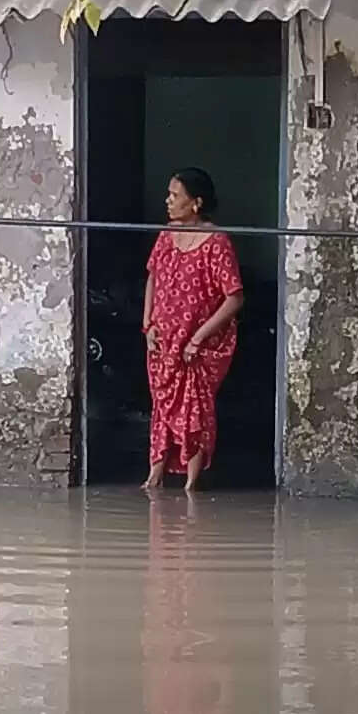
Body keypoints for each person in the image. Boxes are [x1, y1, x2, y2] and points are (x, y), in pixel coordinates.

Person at [142, 167, 243, 492]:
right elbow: (153, 277)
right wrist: (149, 324)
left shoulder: (217, 242)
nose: (168, 201)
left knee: (195, 410)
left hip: (197, 346)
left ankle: (191, 485)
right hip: (163, 341)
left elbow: (234, 298)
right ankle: (155, 476)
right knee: (162, 404)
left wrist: (198, 338)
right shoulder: (167, 234)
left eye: (175, 195)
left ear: (196, 203)